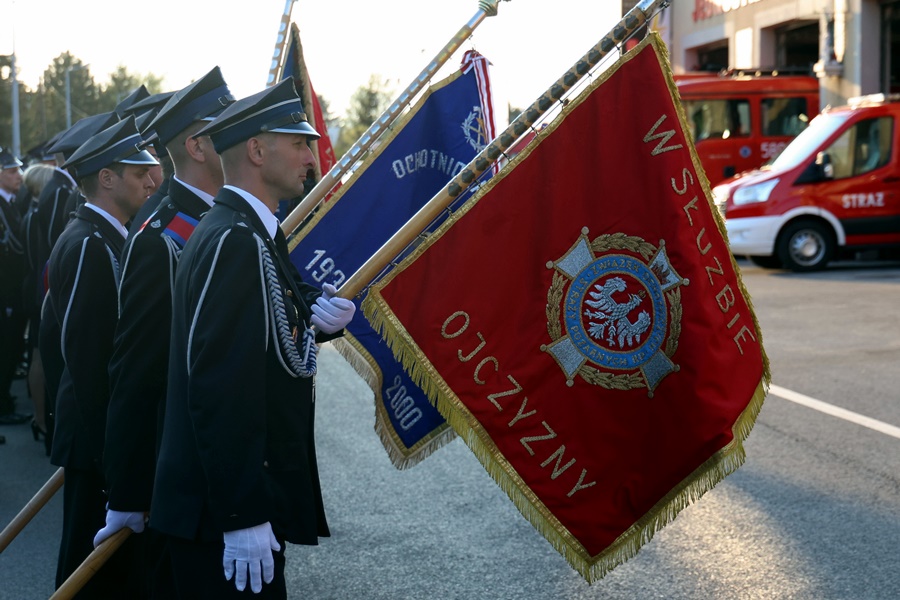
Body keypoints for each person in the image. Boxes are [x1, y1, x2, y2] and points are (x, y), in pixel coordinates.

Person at [151, 77, 355, 598]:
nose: (312, 156)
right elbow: (219, 385)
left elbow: (262, 344)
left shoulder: (248, 230)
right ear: (258, 151)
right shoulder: (235, 240)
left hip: (225, 503)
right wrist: (241, 514)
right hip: (221, 514)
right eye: (300, 143)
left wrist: (312, 318)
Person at [95, 67, 235, 596]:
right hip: (183, 479)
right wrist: (128, 491)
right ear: (197, 145)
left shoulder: (231, 218)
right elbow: (136, 370)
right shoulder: (164, 235)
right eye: (228, 123)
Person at [41, 116, 158, 597]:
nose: (153, 180)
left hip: (98, 436)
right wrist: (117, 464)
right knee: (88, 573)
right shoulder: (91, 243)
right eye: (138, 173)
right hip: (98, 439)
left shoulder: (107, 236)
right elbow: (92, 365)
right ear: (106, 178)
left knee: (107, 571)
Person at [20, 163, 56, 446]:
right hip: (38, 292)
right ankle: (41, 419)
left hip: (34, 290)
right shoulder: (35, 216)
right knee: (39, 356)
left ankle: (41, 418)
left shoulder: (33, 214)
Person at [0, 148, 29, 425]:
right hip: (5, 292)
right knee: (5, 349)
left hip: (12, 291)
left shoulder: (10, 202)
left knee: (9, 348)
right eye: (10, 171)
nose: (18, 175)